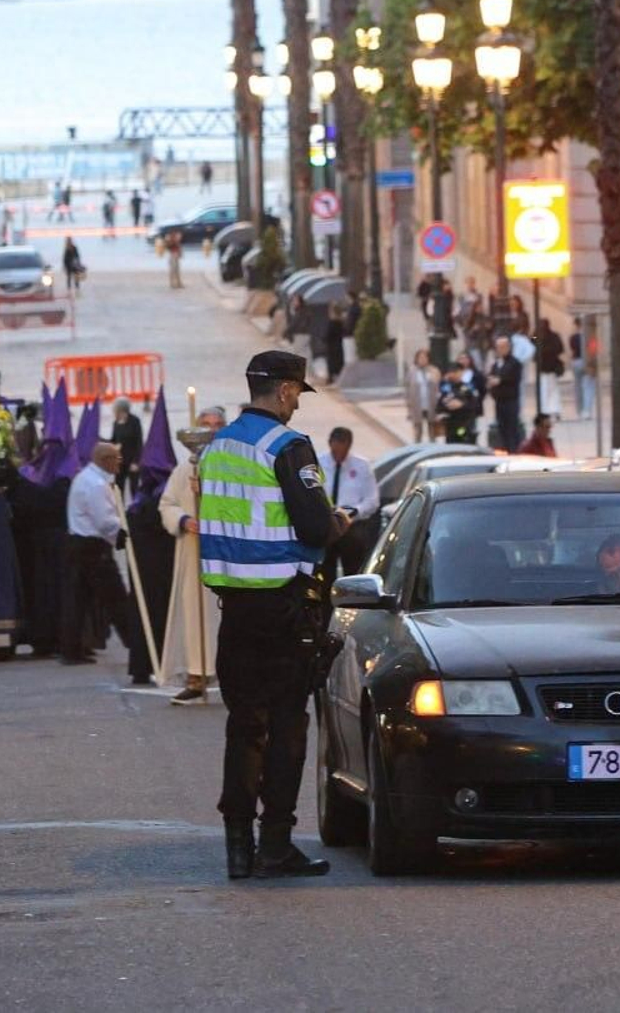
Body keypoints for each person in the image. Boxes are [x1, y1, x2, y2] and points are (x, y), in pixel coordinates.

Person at [198, 351, 350, 879]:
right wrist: (339, 524)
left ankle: (237, 846)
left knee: (244, 729)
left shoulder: (217, 447)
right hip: (283, 608)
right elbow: (313, 528)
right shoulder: (288, 446)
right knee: (286, 728)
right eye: (296, 394)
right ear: (286, 391)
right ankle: (276, 844)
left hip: (234, 611)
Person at [158, 406, 225, 704]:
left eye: (217, 424)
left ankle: (228, 673)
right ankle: (197, 674)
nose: (211, 429)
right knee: (195, 613)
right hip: (193, 551)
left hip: (226, 554)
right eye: (205, 424)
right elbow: (168, 504)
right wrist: (185, 520)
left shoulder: (233, 465)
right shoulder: (185, 469)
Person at [61, 442, 143, 678]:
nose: (120, 462)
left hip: (80, 544)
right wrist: (126, 533)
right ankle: (135, 644)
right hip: (92, 548)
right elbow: (106, 521)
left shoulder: (87, 478)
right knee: (116, 598)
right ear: (105, 459)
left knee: (78, 600)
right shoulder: (96, 485)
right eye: (117, 458)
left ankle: (72, 648)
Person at [319, 427, 380, 576]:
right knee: (324, 574)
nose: (339, 455)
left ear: (349, 445)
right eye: (335, 450)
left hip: (352, 528)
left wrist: (354, 512)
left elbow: (372, 500)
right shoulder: (318, 463)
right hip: (326, 526)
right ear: (329, 443)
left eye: (343, 450)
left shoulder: (362, 466)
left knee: (353, 573)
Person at [487, 335, 524, 452]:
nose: (500, 349)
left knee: (512, 427)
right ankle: (506, 449)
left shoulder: (515, 363)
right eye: (498, 347)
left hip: (511, 400)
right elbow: (491, 377)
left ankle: (514, 450)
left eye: (503, 347)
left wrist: (500, 380)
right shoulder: (496, 364)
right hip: (499, 400)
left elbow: (512, 378)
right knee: (502, 427)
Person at [437, 365, 482, 445]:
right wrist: (447, 407)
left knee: (465, 446)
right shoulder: (446, 388)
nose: (453, 375)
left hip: (465, 425)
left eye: (456, 372)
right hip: (451, 426)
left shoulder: (468, 388)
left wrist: (462, 405)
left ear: (461, 373)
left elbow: (476, 405)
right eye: (451, 372)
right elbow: (439, 406)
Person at [110, 397, 143, 494]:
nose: (115, 413)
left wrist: (136, 462)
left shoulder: (135, 421)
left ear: (122, 411)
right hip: (120, 461)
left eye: (116, 410)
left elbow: (139, 442)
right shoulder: (115, 423)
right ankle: (120, 508)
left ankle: (136, 509)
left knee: (134, 488)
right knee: (119, 488)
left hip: (133, 461)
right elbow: (114, 440)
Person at [405, 349, 438, 443]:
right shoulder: (412, 371)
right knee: (418, 431)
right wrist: (408, 406)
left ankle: (432, 448)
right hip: (417, 405)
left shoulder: (433, 370)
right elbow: (407, 389)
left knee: (432, 430)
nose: (422, 360)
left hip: (430, 404)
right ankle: (417, 448)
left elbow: (437, 385)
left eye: (425, 357)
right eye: (420, 358)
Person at [536, 318, 565, 419]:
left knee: (544, 390)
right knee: (553, 390)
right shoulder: (554, 336)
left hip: (544, 368)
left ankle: (546, 410)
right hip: (552, 367)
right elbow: (560, 349)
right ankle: (554, 410)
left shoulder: (538, 337)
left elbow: (531, 341)